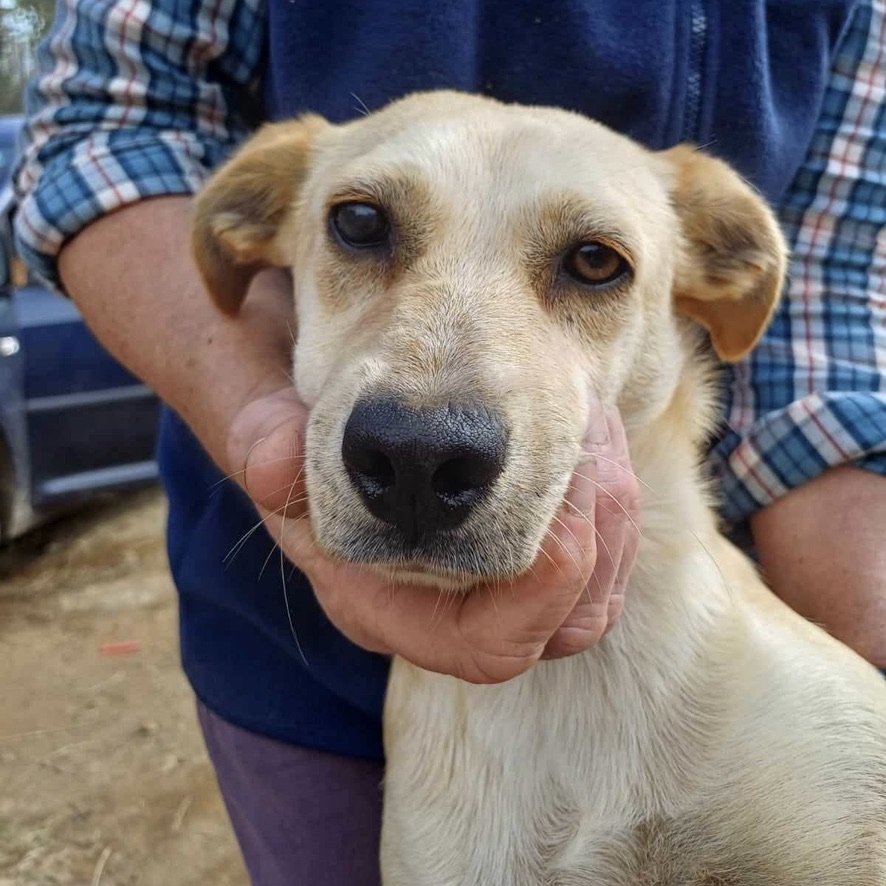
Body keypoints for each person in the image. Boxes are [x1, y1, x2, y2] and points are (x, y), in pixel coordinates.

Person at [13, 2, 885, 884]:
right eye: (362, 228)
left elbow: (836, 304)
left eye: (591, 263)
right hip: (292, 658)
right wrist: (248, 405)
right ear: (261, 233)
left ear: (706, 283)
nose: (428, 425)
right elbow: (106, 119)